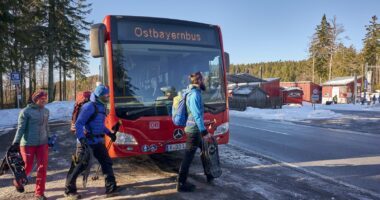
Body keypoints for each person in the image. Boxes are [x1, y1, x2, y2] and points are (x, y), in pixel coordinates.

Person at [64, 84, 118, 199]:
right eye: (105, 96)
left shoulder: (102, 107)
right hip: (85, 141)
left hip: (98, 141)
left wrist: (110, 134)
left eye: (108, 96)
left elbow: (100, 125)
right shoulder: (89, 107)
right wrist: (82, 139)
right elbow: (79, 124)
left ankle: (111, 187)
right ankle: (69, 191)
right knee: (79, 165)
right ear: (99, 96)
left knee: (106, 162)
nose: (107, 98)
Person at [177, 71, 212, 192]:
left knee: (204, 151)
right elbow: (197, 115)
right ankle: (181, 183)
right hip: (194, 130)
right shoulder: (195, 94)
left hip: (194, 129)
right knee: (188, 156)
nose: (206, 81)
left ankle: (210, 174)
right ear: (199, 81)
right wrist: (204, 131)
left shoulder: (193, 92)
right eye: (204, 79)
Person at [11, 90, 50, 200]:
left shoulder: (46, 111)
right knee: (27, 166)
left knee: (42, 167)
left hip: (43, 143)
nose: (44, 101)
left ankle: (39, 193)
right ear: (36, 99)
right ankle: (18, 182)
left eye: (45, 99)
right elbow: (21, 128)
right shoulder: (26, 112)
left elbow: (47, 126)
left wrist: (49, 138)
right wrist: (16, 142)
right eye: (42, 99)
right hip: (28, 143)